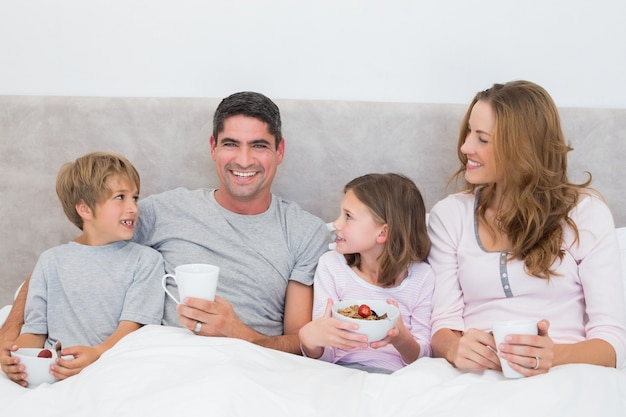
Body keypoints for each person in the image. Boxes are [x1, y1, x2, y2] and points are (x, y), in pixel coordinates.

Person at [0, 91, 330, 360]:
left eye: (259, 145)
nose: (244, 160)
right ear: (213, 148)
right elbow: (78, 251)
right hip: (160, 361)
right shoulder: (166, 211)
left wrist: (239, 333)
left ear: (279, 151)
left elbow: (300, 343)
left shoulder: (304, 232)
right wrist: (9, 333)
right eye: (231, 144)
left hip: (247, 367)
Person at [428, 80, 626, 377]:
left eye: (482, 138)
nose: (465, 146)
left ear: (522, 149)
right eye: (469, 132)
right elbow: (443, 324)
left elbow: (613, 344)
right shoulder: (449, 215)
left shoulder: (585, 213)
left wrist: (555, 355)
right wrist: (454, 348)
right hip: (474, 377)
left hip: (564, 374)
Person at [2, 152, 165, 387]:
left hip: (114, 371)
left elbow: (132, 330)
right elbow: (35, 331)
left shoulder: (146, 261)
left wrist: (98, 354)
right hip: (55, 376)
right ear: (85, 210)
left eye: (135, 198)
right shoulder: (50, 261)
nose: (133, 208)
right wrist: (16, 358)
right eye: (120, 197)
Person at [299, 173, 434, 373]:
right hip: (341, 373)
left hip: (396, 379)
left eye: (348, 216)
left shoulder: (422, 277)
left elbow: (424, 359)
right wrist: (310, 339)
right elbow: (325, 357)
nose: (336, 223)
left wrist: (400, 338)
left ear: (382, 233)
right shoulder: (331, 267)